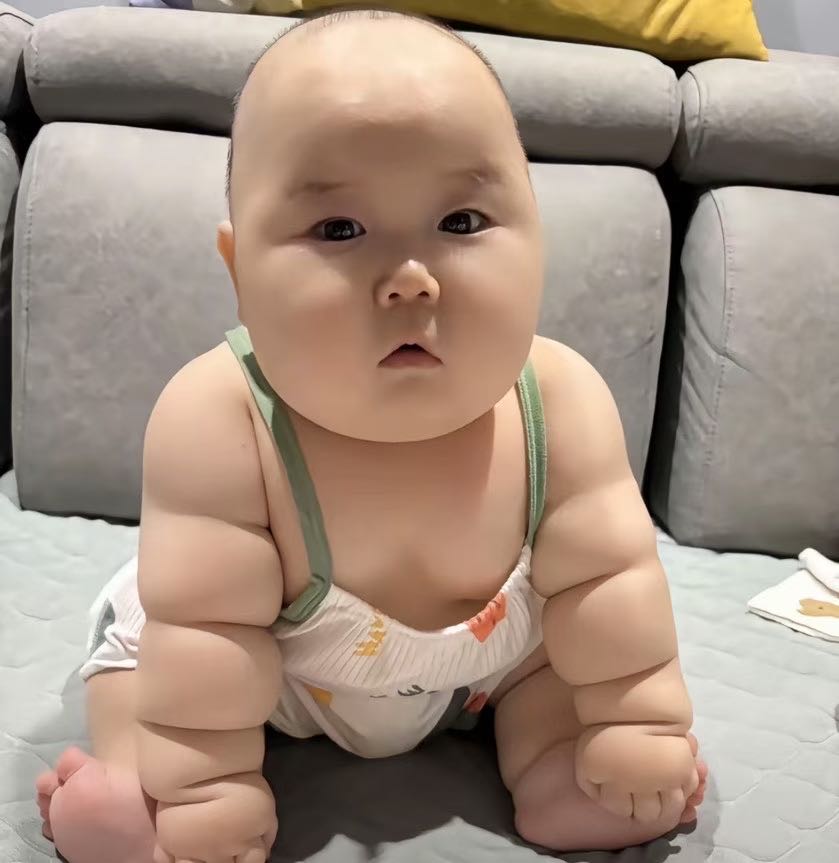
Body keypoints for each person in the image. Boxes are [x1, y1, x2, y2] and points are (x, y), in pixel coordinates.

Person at [35, 9, 706, 863]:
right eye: (338, 230)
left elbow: (609, 582)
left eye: (461, 222)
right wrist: (206, 788)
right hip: (266, 659)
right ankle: (134, 795)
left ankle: (558, 773)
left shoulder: (561, 399)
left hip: (480, 666)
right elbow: (207, 636)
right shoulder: (221, 418)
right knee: (150, 682)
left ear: (539, 240)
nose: (409, 280)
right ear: (239, 273)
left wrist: (636, 719)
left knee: (555, 663)